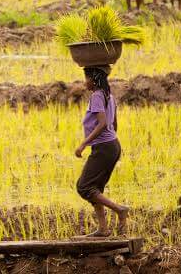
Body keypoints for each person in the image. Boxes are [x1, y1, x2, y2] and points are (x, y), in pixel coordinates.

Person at [75, 66, 130, 237]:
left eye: (87, 78)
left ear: (94, 80)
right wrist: (109, 140)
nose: (85, 83)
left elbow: (102, 123)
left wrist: (84, 144)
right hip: (112, 145)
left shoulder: (97, 96)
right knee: (95, 188)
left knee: (84, 187)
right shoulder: (109, 96)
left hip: (104, 147)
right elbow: (114, 124)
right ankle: (103, 229)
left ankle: (119, 210)